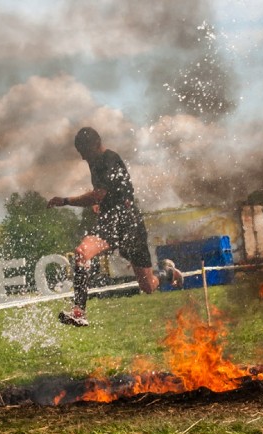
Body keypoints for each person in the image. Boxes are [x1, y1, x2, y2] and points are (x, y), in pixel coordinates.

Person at [48, 127, 183, 326]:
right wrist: (100, 204)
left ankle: (168, 273)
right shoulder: (95, 163)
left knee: (148, 285)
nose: (83, 158)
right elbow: (106, 194)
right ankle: (79, 312)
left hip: (129, 222)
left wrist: (66, 200)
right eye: (80, 154)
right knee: (81, 252)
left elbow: (99, 194)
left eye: (84, 152)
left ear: (95, 144)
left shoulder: (108, 159)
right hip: (111, 219)